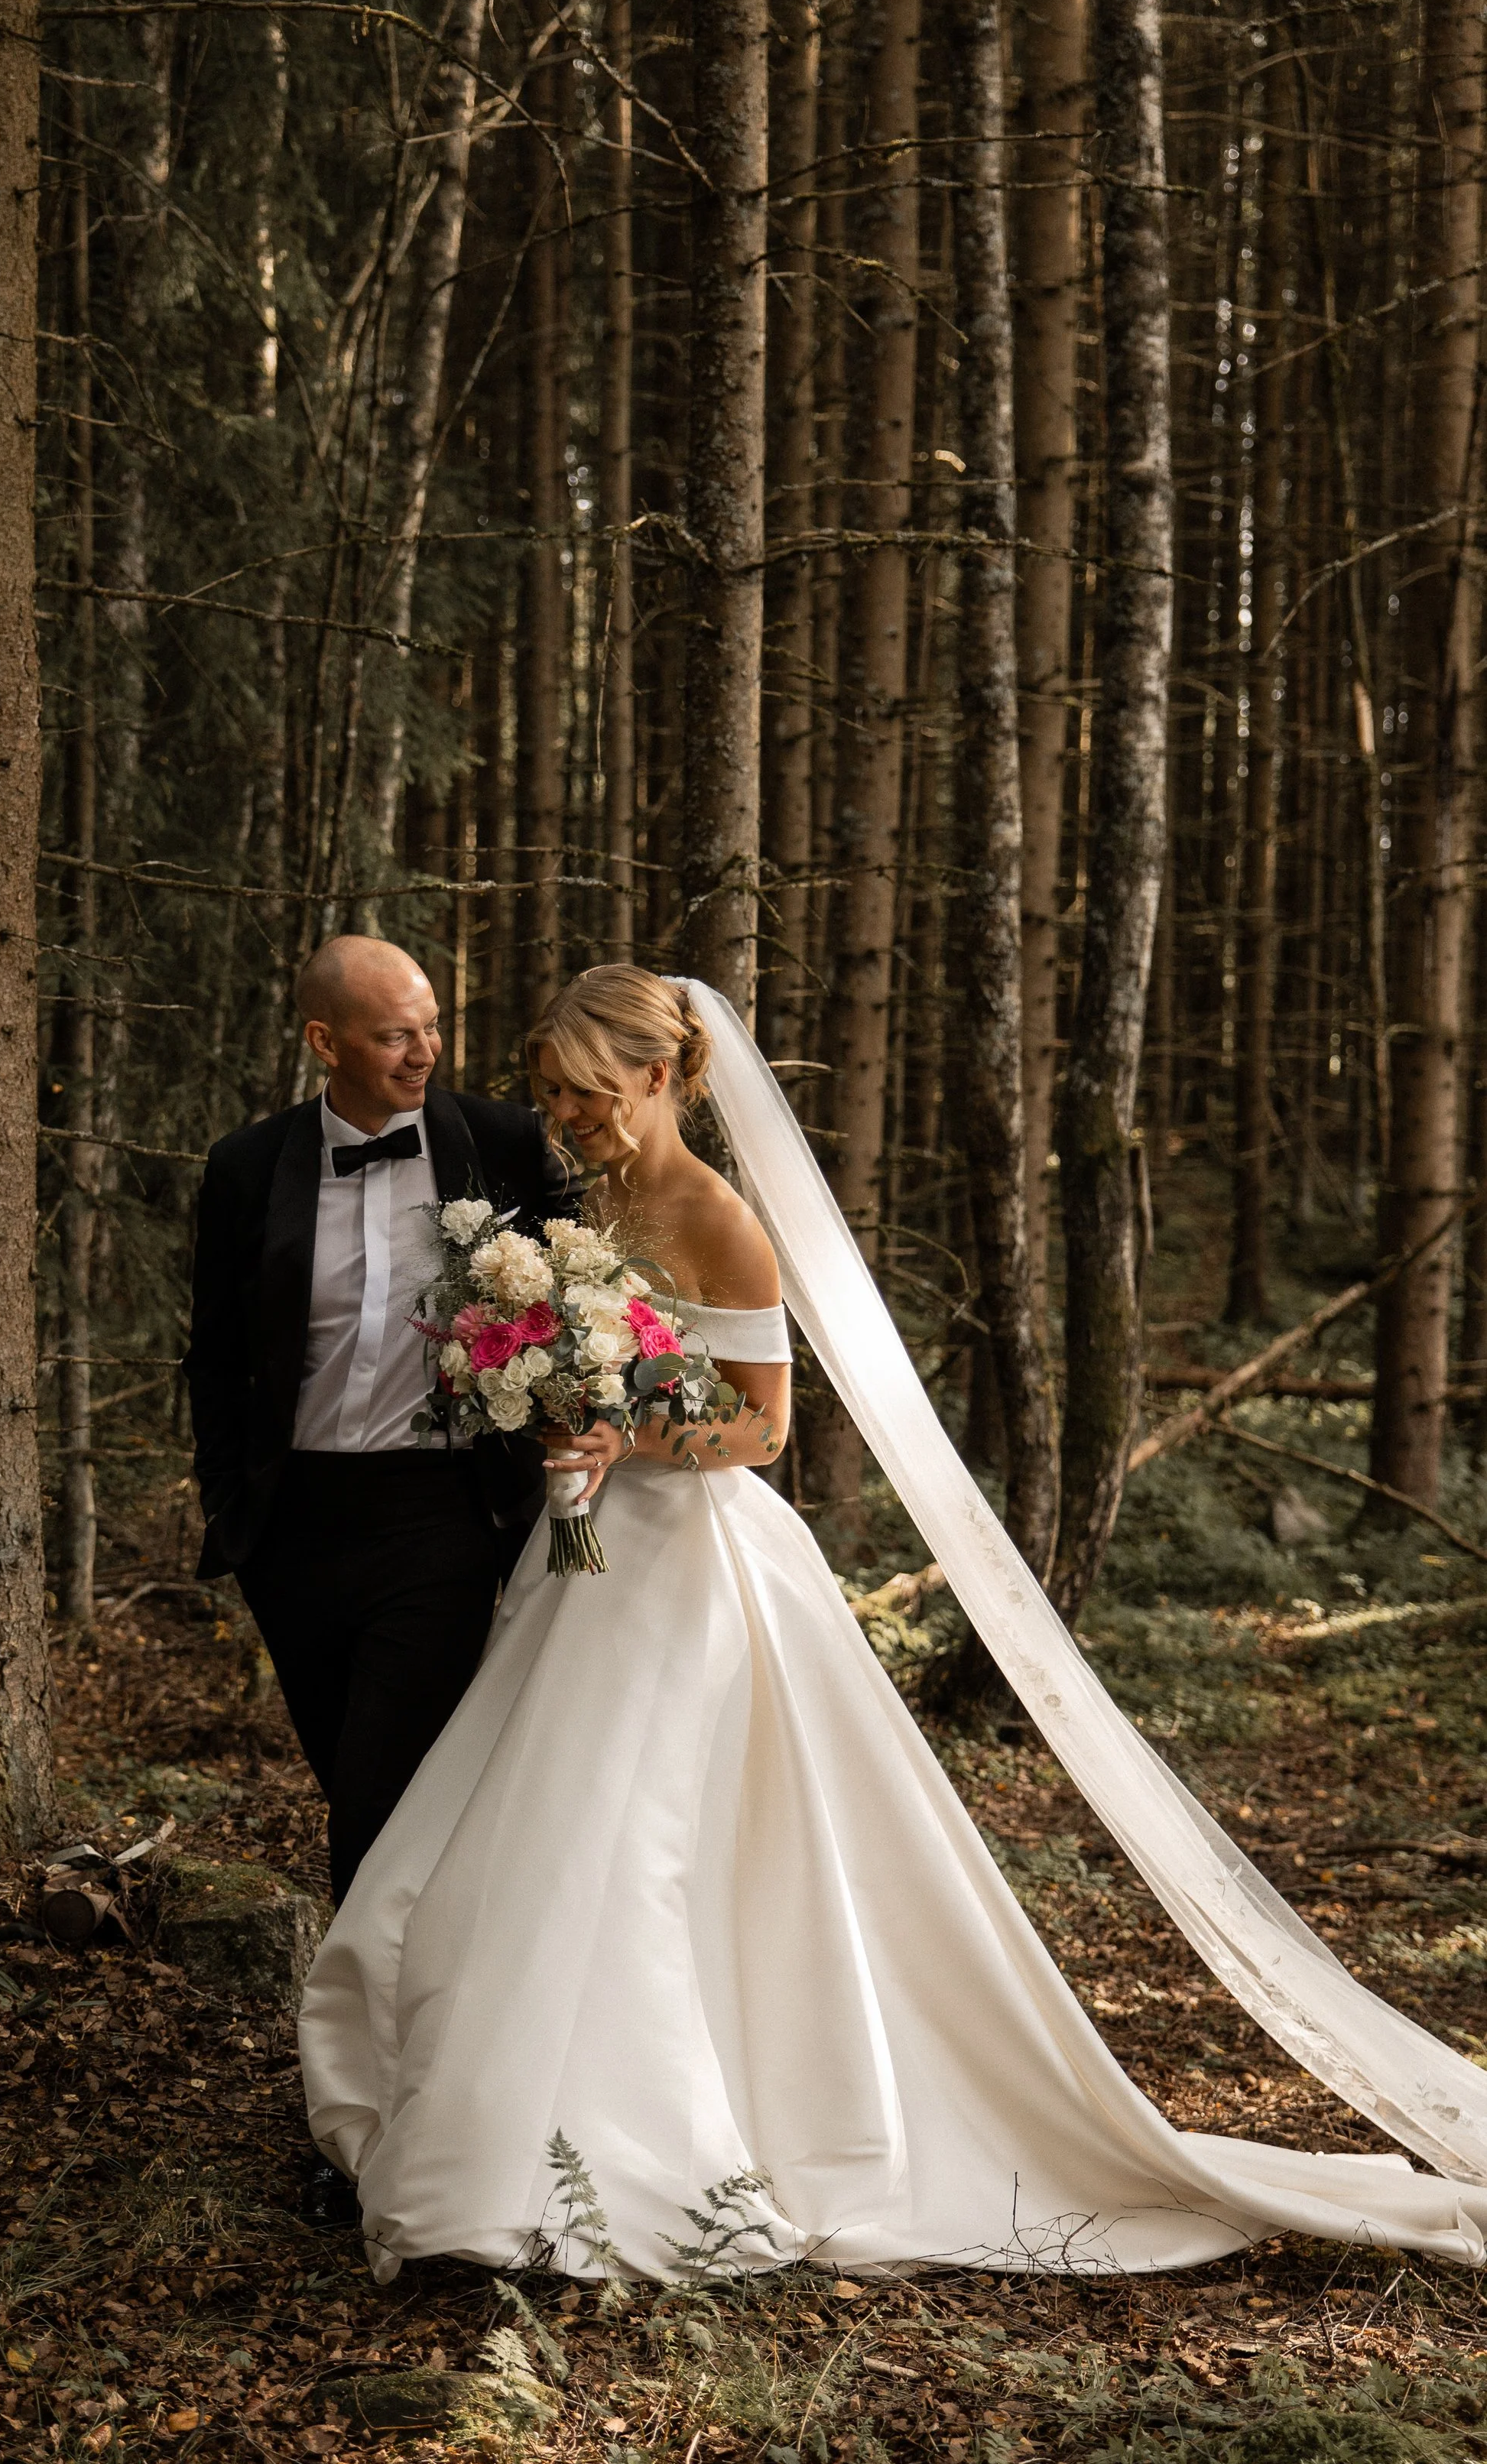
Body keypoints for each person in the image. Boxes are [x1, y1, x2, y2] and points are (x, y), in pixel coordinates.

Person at [299, 966, 1487, 2283]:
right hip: (579, 1559)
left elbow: (763, 1425)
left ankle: (623, 2143)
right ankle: (488, 2117)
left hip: (687, 1570)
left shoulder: (717, 1217)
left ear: (658, 1077)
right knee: (513, 1835)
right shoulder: (597, 1199)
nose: (566, 1119)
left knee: (630, 1848)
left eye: (587, 1096)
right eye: (555, 1098)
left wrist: (623, 1433)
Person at [183, 935, 570, 1914]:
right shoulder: (245, 1167)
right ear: (326, 1041)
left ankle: (364, 2045)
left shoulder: (503, 1143)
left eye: (432, 1027)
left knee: (378, 1799)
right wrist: (233, 1503)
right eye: (396, 1034)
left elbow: (585, 1307)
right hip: (292, 1527)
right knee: (350, 1776)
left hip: (439, 1517)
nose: (424, 1051)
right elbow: (219, 1359)